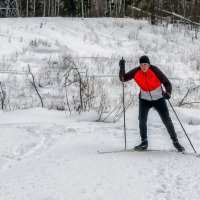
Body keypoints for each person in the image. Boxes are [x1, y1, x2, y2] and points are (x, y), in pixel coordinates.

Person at [119, 55, 185, 152]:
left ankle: (176, 142)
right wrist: (122, 68)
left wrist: (168, 92)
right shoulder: (137, 71)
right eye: (141, 64)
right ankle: (144, 142)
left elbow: (167, 83)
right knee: (142, 119)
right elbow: (123, 78)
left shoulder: (155, 70)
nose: (143, 66)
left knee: (166, 120)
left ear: (149, 64)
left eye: (145, 64)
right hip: (144, 99)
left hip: (159, 99)